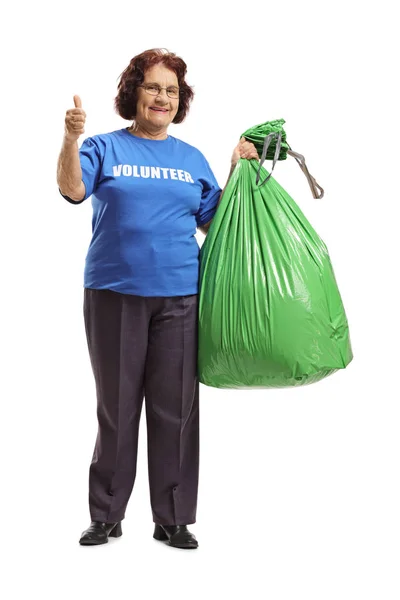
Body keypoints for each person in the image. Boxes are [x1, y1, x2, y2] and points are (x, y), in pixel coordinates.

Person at [56, 48, 259, 550]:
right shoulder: (104, 147)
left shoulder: (191, 159)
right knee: (117, 408)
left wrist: (235, 170)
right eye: (152, 87)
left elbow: (217, 223)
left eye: (171, 90)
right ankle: (106, 515)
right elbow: (72, 188)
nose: (162, 97)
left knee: (176, 410)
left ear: (180, 99)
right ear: (134, 93)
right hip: (114, 294)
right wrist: (70, 138)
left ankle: (172, 518)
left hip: (181, 299)